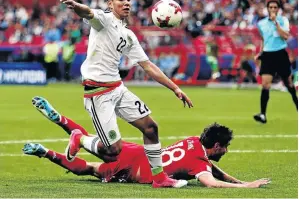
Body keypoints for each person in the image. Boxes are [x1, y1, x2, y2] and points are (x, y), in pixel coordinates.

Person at [56, 0, 193, 188]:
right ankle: (81, 139)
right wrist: (76, 5)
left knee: (150, 128)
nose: (126, 2)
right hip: (98, 93)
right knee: (112, 151)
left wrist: (175, 87)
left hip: (117, 88)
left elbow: (148, 66)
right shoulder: (104, 20)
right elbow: (87, 13)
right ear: (110, 4)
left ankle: (159, 178)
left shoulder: (128, 35)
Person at [24, 97, 270, 188]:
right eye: (225, 147)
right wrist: (244, 188)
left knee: (103, 146)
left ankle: (62, 121)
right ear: (216, 146)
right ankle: (46, 152)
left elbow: (213, 169)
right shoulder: (200, 164)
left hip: (138, 152)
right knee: (88, 169)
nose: (226, 151)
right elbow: (210, 181)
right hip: (136, 171)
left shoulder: (194, 142)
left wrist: (238, 180)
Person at [254, 0, 297, 124]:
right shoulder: (261, 24)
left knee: (288, 83)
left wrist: (275, 23)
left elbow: (285, 36)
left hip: (280, 54)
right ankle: (263, 114)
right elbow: (263, 39)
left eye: (275, 7)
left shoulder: (283, 20)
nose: (273, 9)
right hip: (268, 55)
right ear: (267, 9)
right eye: (270, 7)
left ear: (278, 9)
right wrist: (260, 53)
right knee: (265, 84)